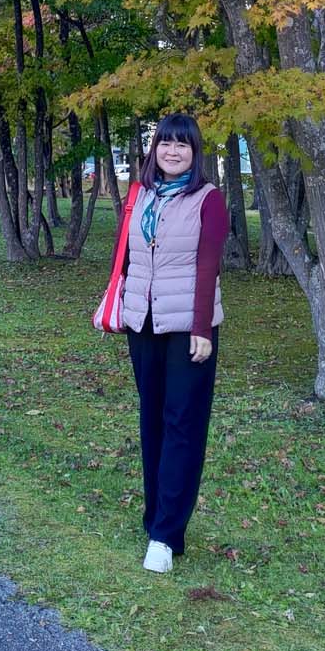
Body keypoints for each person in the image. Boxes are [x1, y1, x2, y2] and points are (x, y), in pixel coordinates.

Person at [116, 113, 229, 574]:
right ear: (154, 149)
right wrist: (116, 301)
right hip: (142, 323)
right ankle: (155, 520)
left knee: (183, 425)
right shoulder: (139, 194)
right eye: (166, 143)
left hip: (188, 329)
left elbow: (208, 265)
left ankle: (166, 535)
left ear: (195, 151)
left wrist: (201, 327)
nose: (173, 151)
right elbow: (125, 255)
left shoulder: (209, 199)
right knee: (152, 422)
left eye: (183, 145)